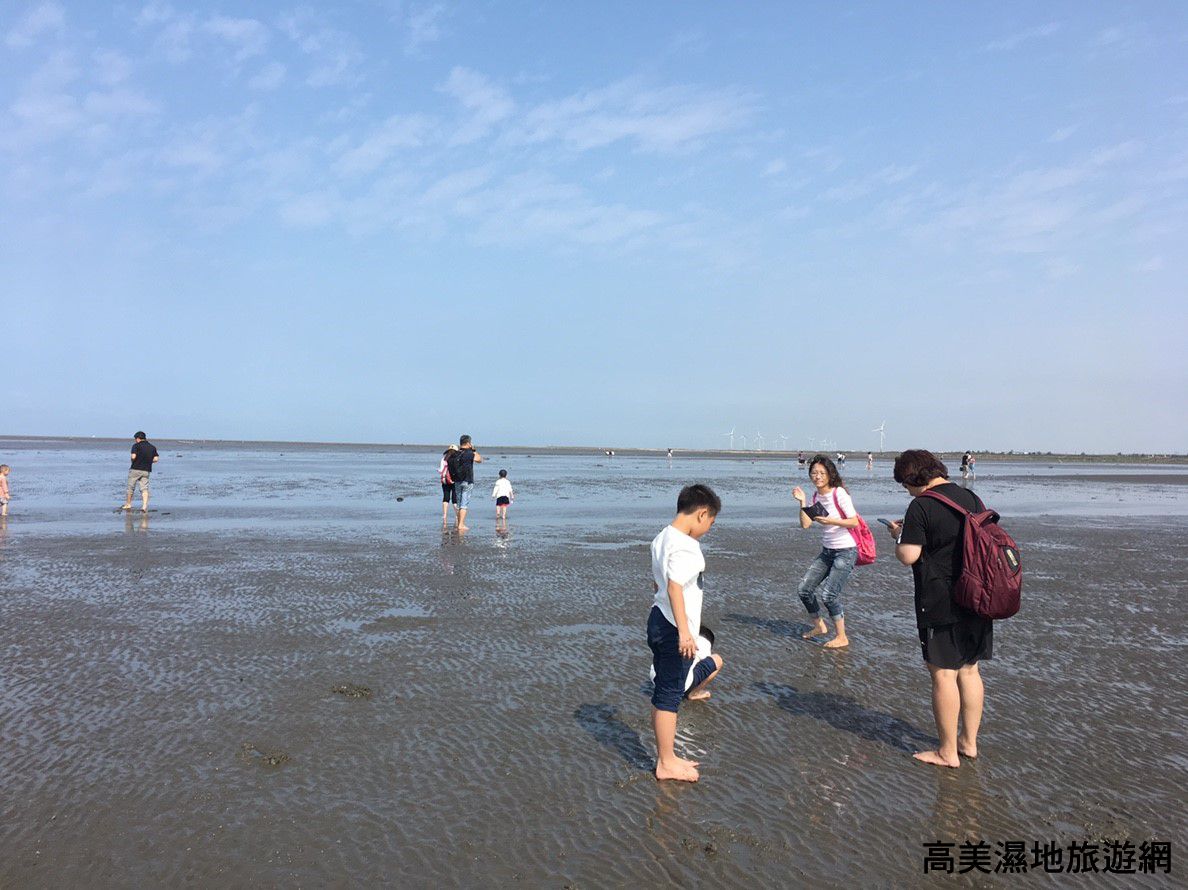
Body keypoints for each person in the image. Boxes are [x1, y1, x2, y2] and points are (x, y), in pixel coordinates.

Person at [886, 449, 992, 768]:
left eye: (905, 484)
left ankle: (947, 752)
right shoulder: (971, 498)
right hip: (978, 595)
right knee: (970, 669)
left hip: (941, 599)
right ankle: (968, 742)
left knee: (943, 675)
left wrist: (898, 536)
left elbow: (908, 556)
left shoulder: (922, 505)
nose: (907, 491)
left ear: (911, 478)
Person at [648, 483, 721, 782]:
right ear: (701, 514)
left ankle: (667, 755)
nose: (708, 530)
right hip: (673, 626)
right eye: (711, 523)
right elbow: (675, 586)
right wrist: (684, 633)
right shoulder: (688, 547)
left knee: (663, 690)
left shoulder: (662, 537)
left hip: (658, 617)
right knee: (669, 695)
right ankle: (666, 762)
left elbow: (658, 582)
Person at [792, 455, 860, 649]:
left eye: (822, 473)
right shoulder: (815, 497)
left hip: (846, 550)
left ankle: (842, 637)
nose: (818, 476)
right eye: (814, 473)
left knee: (829, 595)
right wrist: (802, 502)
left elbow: (853, 521)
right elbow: (805, 524)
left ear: (830, 474)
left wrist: (830, 521)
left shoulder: (839, 494)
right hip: (827, 551)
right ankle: (819, 626)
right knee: (804, 589)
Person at [649, 625, 721, 702]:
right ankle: (694, 693)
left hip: (654, 676)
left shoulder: (681, 636)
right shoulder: (706, 646)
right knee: (718, 660)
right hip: (678, 685)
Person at [451, 434, 483, 531]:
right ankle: (461, 525)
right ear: (468, 443)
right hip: (467, 481)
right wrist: (474, 450)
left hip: (457, 480)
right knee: (464, 504)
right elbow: (479, 459)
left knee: (459, 504)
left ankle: (459, 523)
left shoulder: (455, 453)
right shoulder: (470, 453)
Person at [121, 432, 159, 512]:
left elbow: (133, 456)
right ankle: (144, 506)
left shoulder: (136, 446)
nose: (135, 440)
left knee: (130, 487)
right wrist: (148, 461)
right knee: (144, 488)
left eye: (135, 439)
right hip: (146, 470)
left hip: (135, 468)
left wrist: (133, 460)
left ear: (138, 438)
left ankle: (128, 504)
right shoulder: (152, 447)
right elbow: (156, 459)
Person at [438, 445, 458, 524]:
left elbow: (441, 470)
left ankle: (445, 515)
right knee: (454, 499)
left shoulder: (444, 458)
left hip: (445, 480)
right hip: (455, 480)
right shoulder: (457, 458)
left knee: (446, 498)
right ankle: (457, 515)